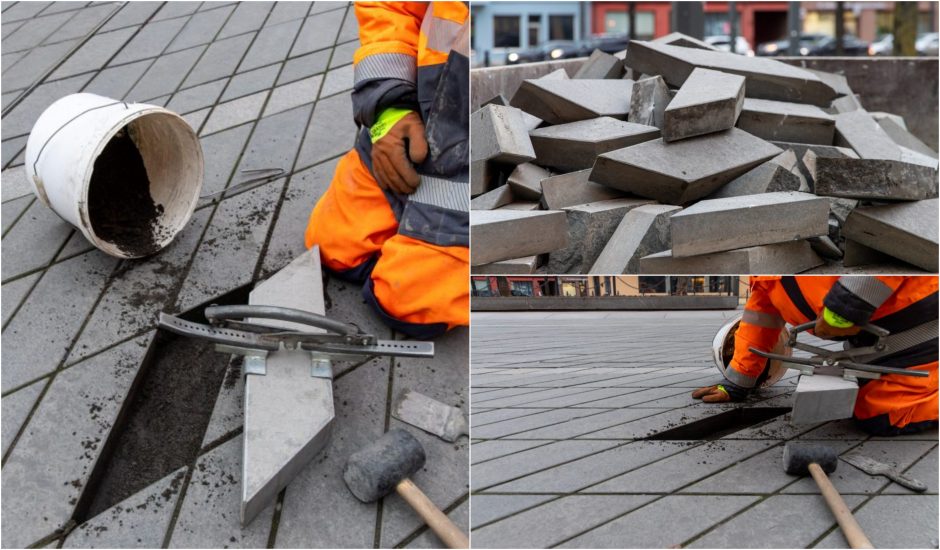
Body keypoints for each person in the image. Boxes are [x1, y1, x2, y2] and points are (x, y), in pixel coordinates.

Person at [304, 2, 469, 339]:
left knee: (410, 305)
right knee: (334, 248)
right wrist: (389, 110)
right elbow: (389, 7)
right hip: (414, 121)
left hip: (471, 172)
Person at [693, 276, 938, 436]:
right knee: (855, 399)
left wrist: (847, 305)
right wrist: (737, 383)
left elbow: (883, 249)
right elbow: (757, 326)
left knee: (881, 416)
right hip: (880, 342)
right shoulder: (768, 281)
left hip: (924, 325)